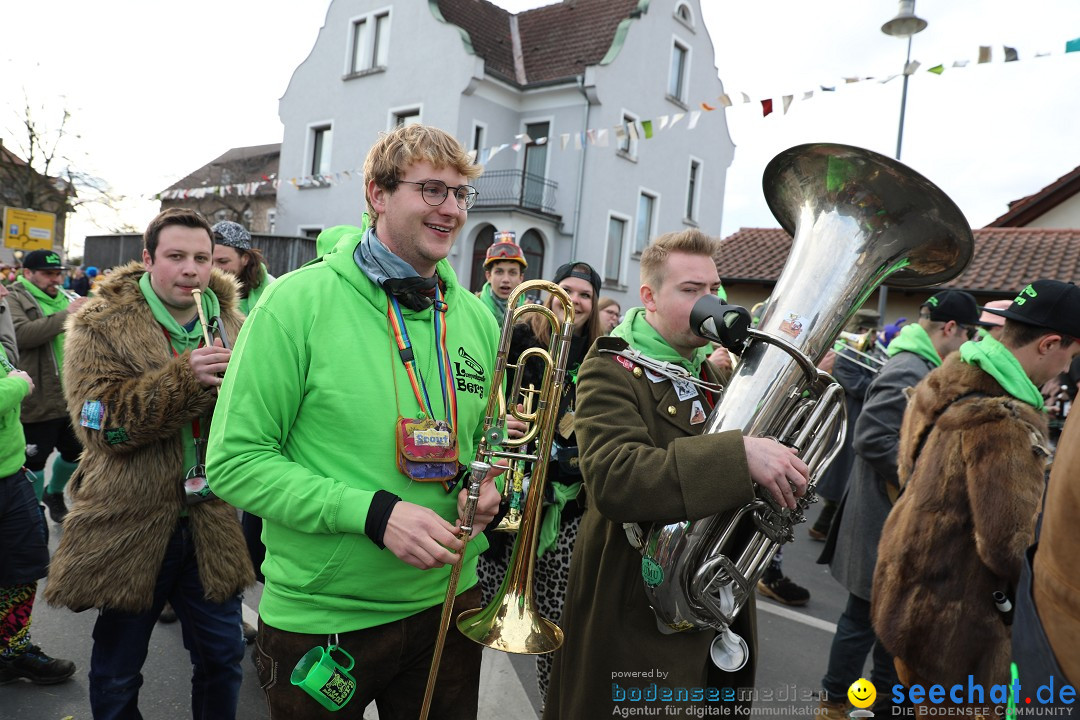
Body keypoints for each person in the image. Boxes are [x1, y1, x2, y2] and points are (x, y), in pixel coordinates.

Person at [206, 123, 504, 719]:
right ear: (377, 194)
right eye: (431, 191)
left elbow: (486, 439)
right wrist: (373, 513)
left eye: (460, 194)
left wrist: (488, 479)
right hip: (323, 619)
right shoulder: (295, 303)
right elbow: (234, 463)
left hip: (448, 601)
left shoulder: (474, 316)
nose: (451, 209)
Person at [543, 229, 810, 719]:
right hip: (634, 594)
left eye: (712, 289)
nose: (708, 302)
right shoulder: (612, 367)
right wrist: (739, 456)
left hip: (709, 590)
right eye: (690, 290)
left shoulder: (711, 374)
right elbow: (615, 477)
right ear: (649, 296)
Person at [43, 207, 254, 719]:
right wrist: (183, 378)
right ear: (147, 259)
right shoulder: (99, 326)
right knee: (118, 671)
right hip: (131, 520)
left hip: (210, 520)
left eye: (202, 258)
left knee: (224, 659)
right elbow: (99, 428)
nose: (191, 270)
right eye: (176, 256)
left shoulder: (235, 322)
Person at [873, 280, 1080, 710]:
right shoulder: (1005, 421)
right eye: (1071, 357)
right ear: (1050, 343)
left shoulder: (946, 376)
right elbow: (1008, 549)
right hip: (956, 632)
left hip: (907, 598)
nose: (1065, 370)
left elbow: (906, 467)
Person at [816, 290, 980, 718]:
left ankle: (877, 703)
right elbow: (871, 437)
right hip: (880, 518)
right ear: (950, 329)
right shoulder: (911, 366)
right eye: (969, 334)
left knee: (888, 625)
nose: (967, 344)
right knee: (864, 622)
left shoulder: (917, 361)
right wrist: (924, 481)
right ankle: (837, 704)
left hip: (883, 516)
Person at [477, 260, 602, 703]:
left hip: (566, 511)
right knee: (478, 616)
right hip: (510, 499)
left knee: (559, 626)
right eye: (565, 289)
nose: (573, 300)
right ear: (549, 294)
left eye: (585, 294)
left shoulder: (604, 359)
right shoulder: (518, 344)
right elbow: (482, 420)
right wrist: (499, 424)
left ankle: (553, 706)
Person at [0, 304, 77, 685]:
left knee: (23, 565)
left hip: (11, 475)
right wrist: (18, 384)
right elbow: (12, 384)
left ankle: (10, 649)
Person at [7, 249, 88, 522]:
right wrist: (67, 314)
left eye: (58, 274)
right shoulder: (15, 297)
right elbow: (22, 335)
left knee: (75, 453)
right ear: (27, 274)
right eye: (47, 274)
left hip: (70, 394)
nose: (55, 279)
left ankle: (53, 493)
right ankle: (32, 513)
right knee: (36, 460)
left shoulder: (65, 296)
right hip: (37, 395)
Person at [809, 308, 882, 541]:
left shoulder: (869, 354)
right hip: (849, 419)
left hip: (861, 419)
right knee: (841, 477)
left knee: (846, 479)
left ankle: (827, 528)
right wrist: (881, 380)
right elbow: (859, 386)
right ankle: (823, 528)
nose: (872, 337)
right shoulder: (844, 357)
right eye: (867, 332)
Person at [211, 220, 275, 316]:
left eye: (223, 261)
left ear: (245, 259)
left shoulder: (272, 289)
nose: (214, 268)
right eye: (208, 261)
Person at [476, 232, 527, 321]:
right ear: (488, 276)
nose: (505, 279)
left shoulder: (532, 315)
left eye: (512, 273)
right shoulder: (473, 308)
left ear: (521, 278)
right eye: (499, 272)